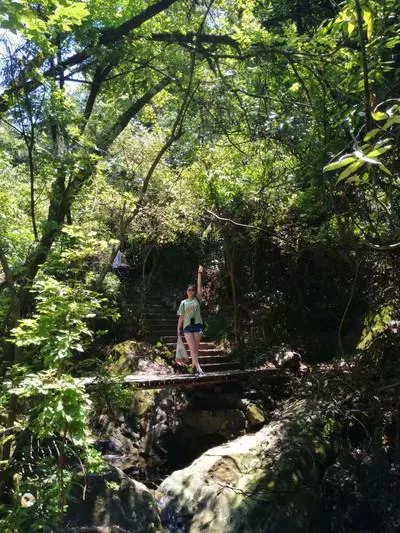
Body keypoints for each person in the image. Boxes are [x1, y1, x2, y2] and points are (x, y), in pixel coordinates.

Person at [177, 266, 205, 375]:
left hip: (197, 325)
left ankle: (193, 367)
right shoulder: (183, 302)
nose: (191, 291)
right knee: (193, 347)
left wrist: (199, 274)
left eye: (192, 290)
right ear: (186, 291)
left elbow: (199, 286)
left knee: (195, 349)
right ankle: (198, 368)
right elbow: (181, 316)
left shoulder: (197, 299)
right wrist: (178, 328)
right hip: (187, 327)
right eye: (189, 290)